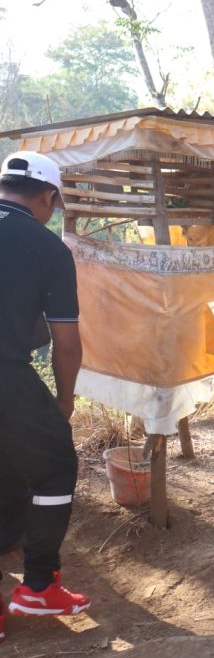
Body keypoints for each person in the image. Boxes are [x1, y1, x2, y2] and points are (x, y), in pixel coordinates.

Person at [0, 151, 91, 631]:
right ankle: (38, 587)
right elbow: (67, 344)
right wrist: (63, 400)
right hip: (5, 373)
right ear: (47, 196)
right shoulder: (46, 247)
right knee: (56, 464)